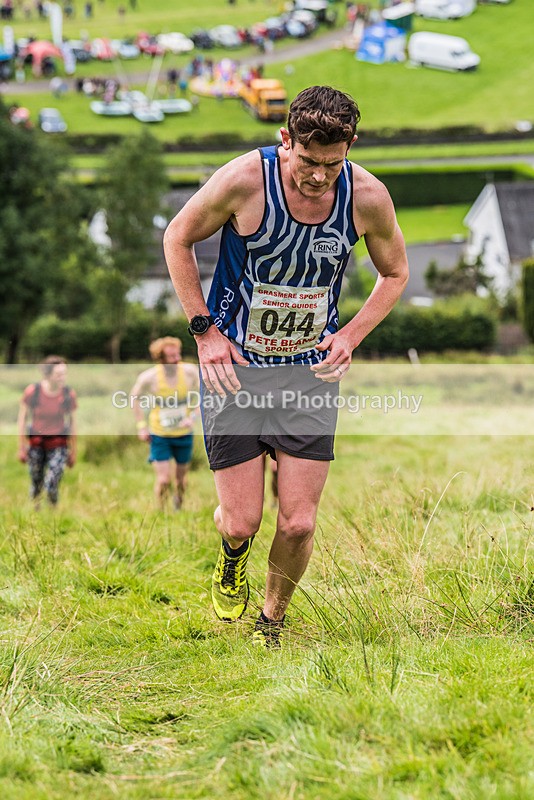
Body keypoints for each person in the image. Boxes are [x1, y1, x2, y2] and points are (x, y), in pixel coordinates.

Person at [163, 85, 409, 647]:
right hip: (235, 371)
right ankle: (232, 559)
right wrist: (204, 333)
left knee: (299, 521)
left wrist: (349, 335)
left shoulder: (367, 197)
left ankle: (271, 620)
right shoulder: (245, 181)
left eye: (332, 163)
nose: (318, 176)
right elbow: (177, 237)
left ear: (349, 147)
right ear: (285, 141)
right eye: (307, 161)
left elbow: (395, 274)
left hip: (308, 373)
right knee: (242, 520)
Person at [130, 337, 199, 510]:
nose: (177, 359)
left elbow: (204, 396)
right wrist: (141, 426)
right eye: (171, 356)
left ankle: (178, 506)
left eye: (178, 355)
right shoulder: (149, 377)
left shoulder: (190, 372)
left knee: (181, 481)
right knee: (163, 480)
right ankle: (161, 511)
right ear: (160, 359)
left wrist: (193, 417)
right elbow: (134, 398)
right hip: (159, 433)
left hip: (183, 433)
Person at [18, 356, 77, 508]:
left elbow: (72, 423)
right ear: (47, 374)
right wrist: (22, 447)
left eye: (64, 373)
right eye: (58, 374)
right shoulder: (33, 391)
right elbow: (22, 420)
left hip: (58, 443)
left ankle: (53, 510)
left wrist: (73, 451)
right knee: (36, 481)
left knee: (52, 481)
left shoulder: (68, 395)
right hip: (36, 442)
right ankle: (35, 512)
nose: (62, 377)